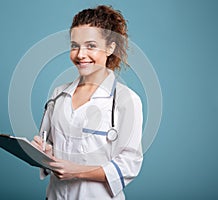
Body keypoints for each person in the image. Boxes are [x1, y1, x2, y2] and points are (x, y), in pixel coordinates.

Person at [31, 5, 143, 200]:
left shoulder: (126, 100)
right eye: (75, 45)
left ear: (110, 47)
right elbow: (50, 142)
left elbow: (129, 163)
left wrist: (77, 171)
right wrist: (45, 151)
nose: (81, 54)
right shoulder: (58, 94)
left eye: (91, 45)